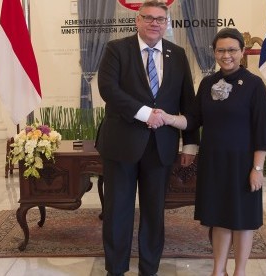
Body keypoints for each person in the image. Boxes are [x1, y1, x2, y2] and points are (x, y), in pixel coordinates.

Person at [95, 1, 199, 275]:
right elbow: (108, 89)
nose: (155, 23)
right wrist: (144, 114)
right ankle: (115, 269)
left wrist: (190, 142)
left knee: (154, 213)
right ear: (137, 21)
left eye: (160, 19)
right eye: (149, 18)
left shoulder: (177, 54)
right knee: (118, 212)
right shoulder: (116, 49)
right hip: (121, 145)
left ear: (166, 24)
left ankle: (149, 269)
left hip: (161, 147)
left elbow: (187, 99)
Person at [157, 28, 266, 276]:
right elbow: (193, 120)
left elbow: (261, 133)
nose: (226, 55)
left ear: (242, 52)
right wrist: (167, 118)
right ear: (214, 53)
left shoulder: (254, 85)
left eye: (232, 49)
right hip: (213, 162)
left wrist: (257, 169)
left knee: (242, 221)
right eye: (221, 50)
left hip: (243, 164)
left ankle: (239, 272)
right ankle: (218, 271)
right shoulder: (208, 83)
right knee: (219, 218)